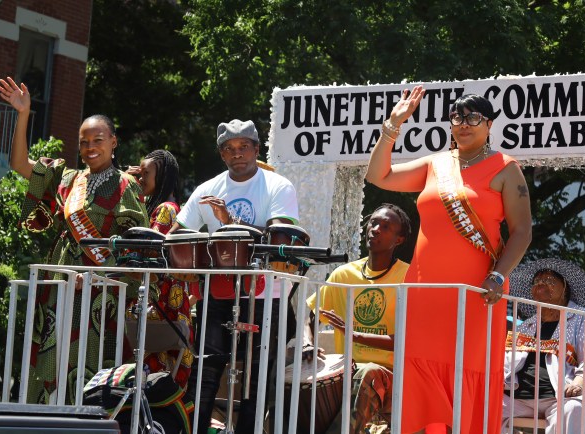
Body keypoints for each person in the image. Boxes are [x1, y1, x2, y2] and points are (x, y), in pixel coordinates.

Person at [365, 86, 532, 434]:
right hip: (424, 291)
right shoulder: (435, 164)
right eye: (457, 116)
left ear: (489, 124)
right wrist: (392, 126)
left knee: (465, 370)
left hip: (475, 292)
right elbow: (377, 176)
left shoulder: (506, 169)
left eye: (474, 117)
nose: (464, 123)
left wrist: (499, 277)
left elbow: (522, 232)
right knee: (419, 369)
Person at [0, 77, 148, 404]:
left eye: (98, 139)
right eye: (83, 142)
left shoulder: (126, 187)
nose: (90, 147)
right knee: (52, 355)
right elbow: (20, 165)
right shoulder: (68, 178)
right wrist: (24, 114)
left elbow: (137, 248)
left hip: (98, 293)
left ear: (114, 142)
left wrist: (102, 276)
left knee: (88, 363)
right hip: (59, 283)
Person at [174, 119, 299, 434]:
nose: (237, 154)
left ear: (257, 150)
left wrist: (228, 222)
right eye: (229, 149)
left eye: (244, 147)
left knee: (256, 381)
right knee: (206, 373)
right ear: (221, 155)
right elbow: (177, 235)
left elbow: (279, 241)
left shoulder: (278, 186)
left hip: (265, 296)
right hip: (218, 295)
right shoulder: (207, 188)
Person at [305, 203, 411, 433]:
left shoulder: (409, 277)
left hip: (392, 376)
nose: (376, 229)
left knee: (367, 372)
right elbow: (311, 316)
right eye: (373, 223)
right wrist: (308, 344)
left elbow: (407, 339)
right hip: (346, 370)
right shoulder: (343, 274)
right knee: (286, 374)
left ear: (399, 240)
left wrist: (354, 334)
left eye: (386, 226)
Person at [503, 258, 585, 433]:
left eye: (548, 280)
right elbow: (506, 360)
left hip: (561, 397)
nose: (540, 284)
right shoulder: (527, 325)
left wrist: (581, 381)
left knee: (576, 409)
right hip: (517, 399)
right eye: (536, 281)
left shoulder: (582, 317)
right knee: (479, 403)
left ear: (565, 288)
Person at [126, 149, 195, 389]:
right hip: (157, 300)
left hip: (164, 302)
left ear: (163, 175)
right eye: (139, 172)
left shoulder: (167, 208)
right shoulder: (153, 205)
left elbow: (150, 250)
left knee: (158, 380)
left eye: (147, 173)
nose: (141, 178)